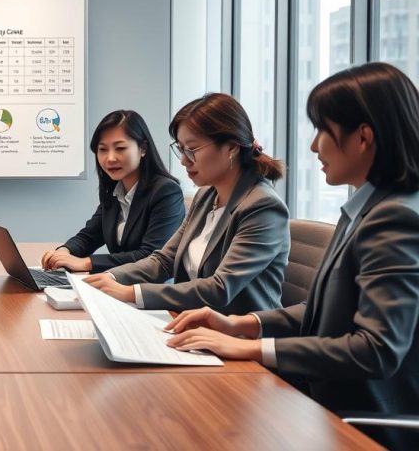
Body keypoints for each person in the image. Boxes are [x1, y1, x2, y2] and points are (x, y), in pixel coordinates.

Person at [166, 63, 419, 450]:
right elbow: (322, 311)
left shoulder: (395, 218)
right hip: (318, 400)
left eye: (322, 130)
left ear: (363, 137)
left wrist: (253, 348)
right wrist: (241, 324)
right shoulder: (366, 209)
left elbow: (375, 350)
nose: (314, 146)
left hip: (355, 423)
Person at [84, 93, 289, 315]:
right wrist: (109, 278)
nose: (183, 160)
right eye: (181, 149)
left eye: (191, 149)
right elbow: (164, 260)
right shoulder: (205, 196)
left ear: (231, 147)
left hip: (237, 332)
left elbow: (220, 288)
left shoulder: (263, 206)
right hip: (192, 322)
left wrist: (132, 293)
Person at [41, 110, 185, 273]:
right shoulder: (114, 192)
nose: (110, 158)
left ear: (143, 148)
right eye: (103, 149)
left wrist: (87, 263)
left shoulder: (166, 191)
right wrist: (64, 251)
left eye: (120, 148)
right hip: (117, 282)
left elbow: (151, 256)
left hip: (152, 286)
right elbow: (89, 236)